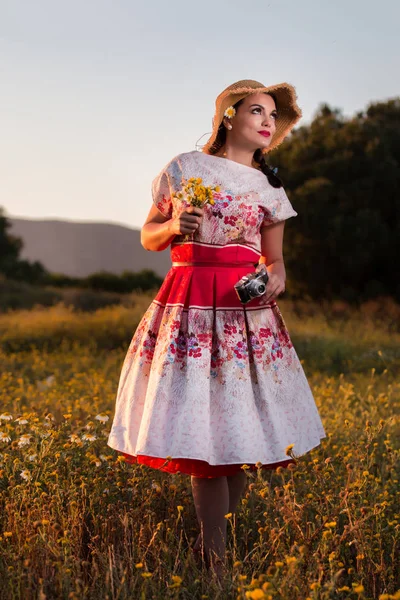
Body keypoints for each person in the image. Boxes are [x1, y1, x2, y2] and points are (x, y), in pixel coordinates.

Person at [107, 79, 326, 582]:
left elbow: (277, 263)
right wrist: (173, 227)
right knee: (205, 436)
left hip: (245, 316)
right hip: (188, 305)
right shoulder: (184, 168)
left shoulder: (270, 187)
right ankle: (215, 561)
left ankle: (217, 540)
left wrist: (273, 281)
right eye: (257, 111)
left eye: (273, 115)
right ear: (229, 116)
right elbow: (149, 236)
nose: (268, 122)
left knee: (240, 438)